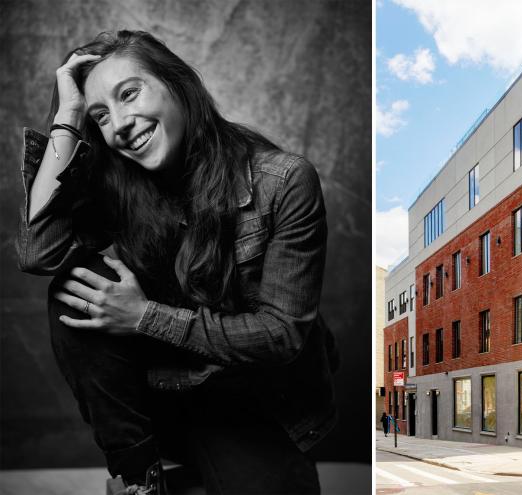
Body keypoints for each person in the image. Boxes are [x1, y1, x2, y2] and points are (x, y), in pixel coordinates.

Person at [16, 30, 337, 495]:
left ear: (178, 84)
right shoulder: (119, 184)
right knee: (78, 285)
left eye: (129, 94)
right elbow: (37, 251)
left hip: (250, 396)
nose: (120, 125)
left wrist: (144, 318)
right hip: (158, 392)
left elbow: (282, 334)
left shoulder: (283, 181)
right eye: (101, 116)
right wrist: (67, 117)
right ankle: (139, 477)